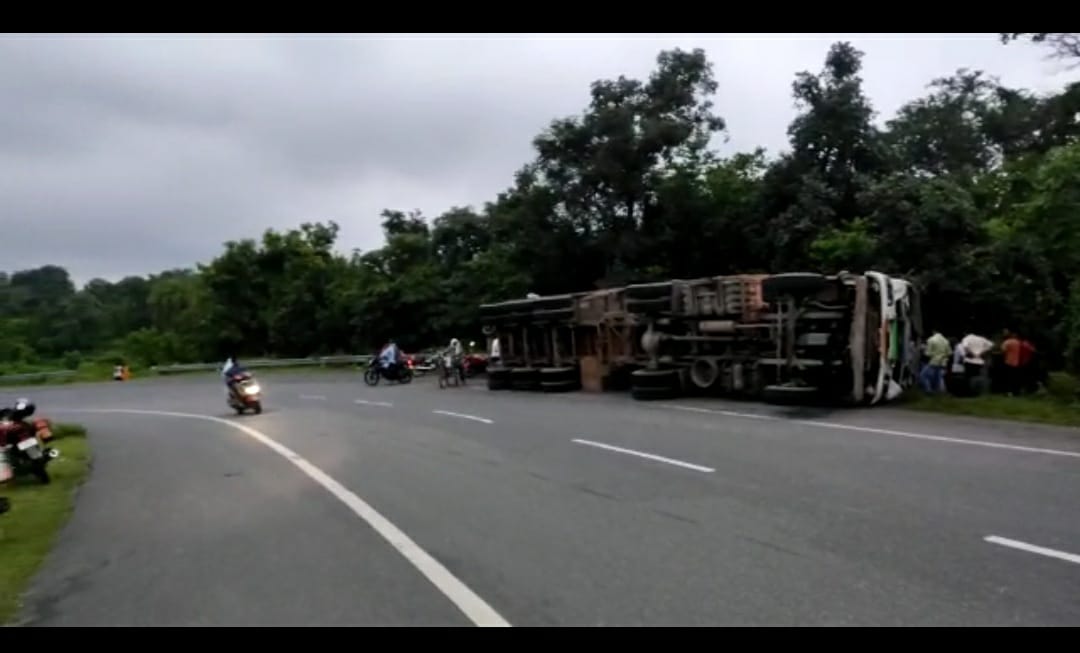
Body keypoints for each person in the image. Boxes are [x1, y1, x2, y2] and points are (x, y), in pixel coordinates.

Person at [920, 330, 950, 394]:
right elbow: (949, 353)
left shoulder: (931, 339)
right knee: (938, 377)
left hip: (934, 361)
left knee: (923, 375)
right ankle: (939, 391)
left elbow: (928, 354)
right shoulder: (946, 341)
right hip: (942, 362)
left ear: (934, 332)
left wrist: (924, 351)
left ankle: (928, 390)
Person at [1001, 330, 1023, 395]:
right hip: (1017, 362)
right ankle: (1016, 392)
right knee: (1015, 378)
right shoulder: (1019, 342)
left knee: (1008, 378)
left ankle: (1008, 392)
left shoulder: (1007, 342)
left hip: (1008, 362)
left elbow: (1003, 351)